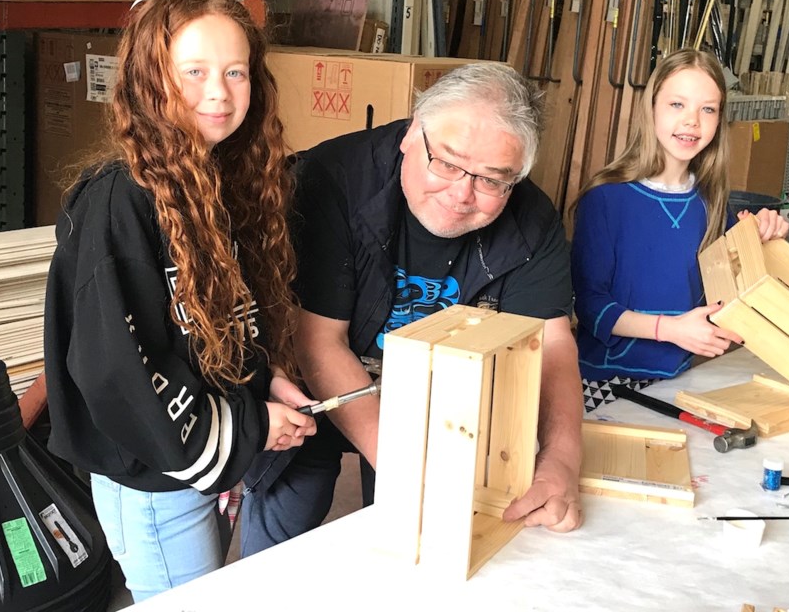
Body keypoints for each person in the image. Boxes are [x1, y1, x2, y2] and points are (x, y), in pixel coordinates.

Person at [240, 62, 584, 557]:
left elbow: (551, 343)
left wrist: (562, 460)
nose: (461, 195)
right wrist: (408, 472)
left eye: (491, 181)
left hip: (437, 408)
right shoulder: (330, 181)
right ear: (411, 133)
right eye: (446, 162)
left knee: (416, 551)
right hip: (310, 395)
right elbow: (317, 343)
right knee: (281, 547)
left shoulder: (531, 219)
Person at [42, 0, 317, 602]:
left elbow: (215, 324)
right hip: (154, 482)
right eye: (193, 72)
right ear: (149, 80)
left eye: (235, 71)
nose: (218, 92)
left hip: (195, 468)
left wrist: (263, 379)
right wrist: (250, 427)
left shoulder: (216, 182)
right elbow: (118, 370)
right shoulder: (120, 201)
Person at [569, 48, 789, 412]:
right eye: (677, 105)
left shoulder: (713, 201)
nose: (692, 122)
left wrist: (765, 238)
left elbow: (727, 292)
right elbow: (590, 307)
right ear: (652, 107)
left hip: (682, 376)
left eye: (707, 109)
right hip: (605, 381)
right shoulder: (606, 197)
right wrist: (671, 330)